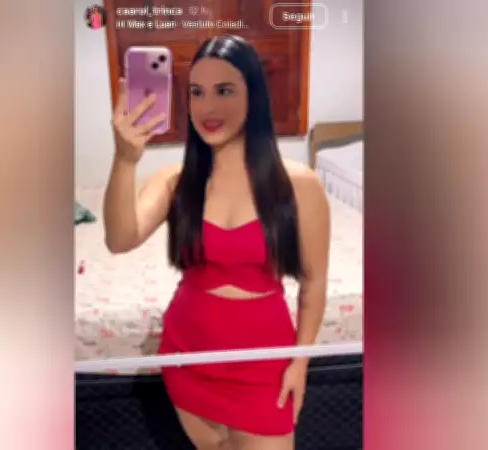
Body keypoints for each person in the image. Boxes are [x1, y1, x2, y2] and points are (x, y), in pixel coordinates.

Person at [103, 35, 330, 449]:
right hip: (189, 354)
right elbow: (120, 239)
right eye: (197, 92)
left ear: (253, 96)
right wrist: (125, 159)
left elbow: (314, 283)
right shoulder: (176, 181)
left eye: (224, 90)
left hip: (261, 366)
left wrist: (300, 363)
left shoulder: (299, 185)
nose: (208, 106)